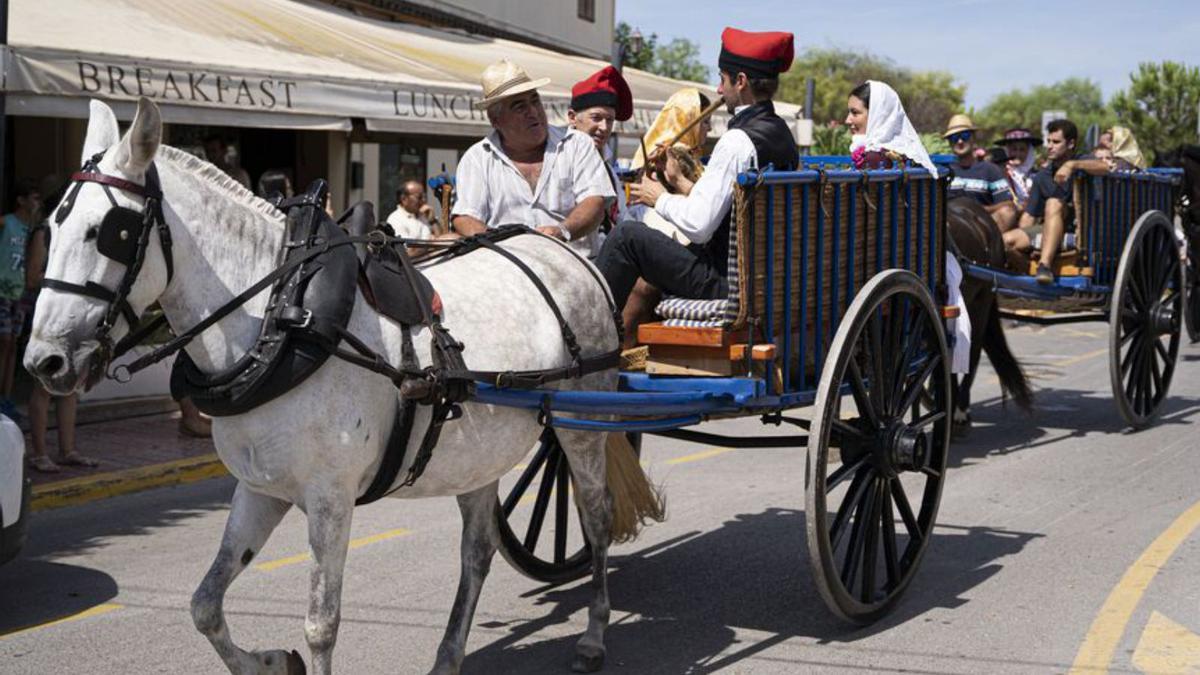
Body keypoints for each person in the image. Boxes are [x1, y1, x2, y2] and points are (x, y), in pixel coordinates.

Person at [600, 27, 799, 323]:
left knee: (626, 237)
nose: (719, 90)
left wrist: (660, 197)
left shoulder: (737, 142)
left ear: (741, 82)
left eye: (723, 79)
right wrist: (679, 180)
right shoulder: (783, 135)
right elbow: (730, 209)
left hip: (724, 283)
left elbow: (700, 226)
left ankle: (588, 340)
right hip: (763, 277)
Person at [844, 81, 971, 375]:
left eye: (855, 113)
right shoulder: (898, 155)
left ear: (876, 114)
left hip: (876, 259)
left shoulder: (878, 159)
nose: (849, 120)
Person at [451, 59, 615, 259]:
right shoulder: (477, 158)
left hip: (578, 265)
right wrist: (497, 246)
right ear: (496, 120)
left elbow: (594, 203)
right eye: (519, 106)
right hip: (509, 272)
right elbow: (465, 217)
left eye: (535, 100)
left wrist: (562, 231)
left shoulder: (577, 144)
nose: (533, 111)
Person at [21, 180, 94, 471]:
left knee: (71, 385)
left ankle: (68, 449)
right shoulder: (44, 233)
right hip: (47, 315)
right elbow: (32, 277)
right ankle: (39, 452)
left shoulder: (74, 235)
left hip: (71, 316)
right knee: (44, 388)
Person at [1003, 118, 1110, 284]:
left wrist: (1072, 165)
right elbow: (1029, 217)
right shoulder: (1042, 176)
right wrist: (1024, 241)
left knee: (1054, 203)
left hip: (1082, 231)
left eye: (1056, 142)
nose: (1049, 146)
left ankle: (1044, 266)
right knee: (1005, 241)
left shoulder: (1083, 160)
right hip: (1048, 230)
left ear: (1070, 144)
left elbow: (1105, 167)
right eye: (1048, 141)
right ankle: (1025, 275)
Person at [568, 65, 634, 230]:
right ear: (572, 117)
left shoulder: (608, 169)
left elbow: (623, 218)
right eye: (596, 118)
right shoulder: (556, 159)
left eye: (610, 120)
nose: (604, 127)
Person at [0, 179, 37, 422]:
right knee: (3, 342)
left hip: (20, 294)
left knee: (13, 345)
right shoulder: (6, 223)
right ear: (21, 201)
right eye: (33, 198)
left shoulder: (32, 230)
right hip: (2, 291)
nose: (37, 203)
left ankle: (6, 395)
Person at [844, 80, 938, 175]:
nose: (847, 120)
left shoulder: (875, 158)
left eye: (855, 112)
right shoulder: (904, 152)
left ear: (877, 115)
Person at [944, 114, 1018, 231]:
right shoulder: (943, 171)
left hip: (982, 226)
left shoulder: (991, 170)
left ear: (973, 137)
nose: (960, 141)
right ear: (949, 142)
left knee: (1007, 213)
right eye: (954, 138)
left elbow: (1008, 205)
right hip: (949, 227)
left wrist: (978, 209)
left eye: (965, 135)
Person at [995, 128, 1042, 212]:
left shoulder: (1037, 175)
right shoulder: (999, 172)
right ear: (1007, 150)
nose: (1018, 154)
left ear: (1029, 152)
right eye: (1014, 149)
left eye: (1022, 150)